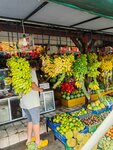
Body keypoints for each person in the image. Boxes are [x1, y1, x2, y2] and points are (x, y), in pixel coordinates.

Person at [20, 60, 48, 149]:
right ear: (34, 67)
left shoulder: (22, 73)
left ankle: (28, 140)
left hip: (24, 103)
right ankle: (38, 142)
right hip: (32, 103)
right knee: (36, 122)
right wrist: (40, 89)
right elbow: (32, 85)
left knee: (30, 121)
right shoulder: (31, 72)